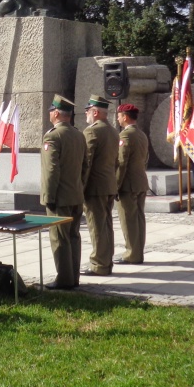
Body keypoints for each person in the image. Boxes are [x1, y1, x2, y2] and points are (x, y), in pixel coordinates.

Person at [40, 95, 87, 289]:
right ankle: (74, 277)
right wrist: (78, 187)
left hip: (60, 197)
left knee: (60, 238)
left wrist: (49, 196)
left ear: (56, 113)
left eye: (51, 110)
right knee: (74, 237)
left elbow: (52, 169)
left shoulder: (52, 136)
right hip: (76, 195)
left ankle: (64, 280)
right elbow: (85, 166)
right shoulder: (79, 134)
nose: (50, 114)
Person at [81, 95, 118, 277]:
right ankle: (107, 261)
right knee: (106, 226)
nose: (86, 114)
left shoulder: (92, 132)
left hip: (95, 187)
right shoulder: (112, 130)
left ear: (95, 112)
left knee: (97, 227)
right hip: (109, 184)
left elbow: (86, 163)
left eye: (88, 111)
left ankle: (99, 265)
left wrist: (80, 187)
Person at [115, 103, 149, 265]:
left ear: (125, 117)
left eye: (119, 115)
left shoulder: (126, 136)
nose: (118, 118)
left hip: (128, 185)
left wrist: (115, 185)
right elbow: (145, 159)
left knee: (128, 220)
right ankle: (138, 251)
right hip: (141, 181)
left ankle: (132, 253)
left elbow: (122, 163)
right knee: (139, 219)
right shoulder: (141, 134)